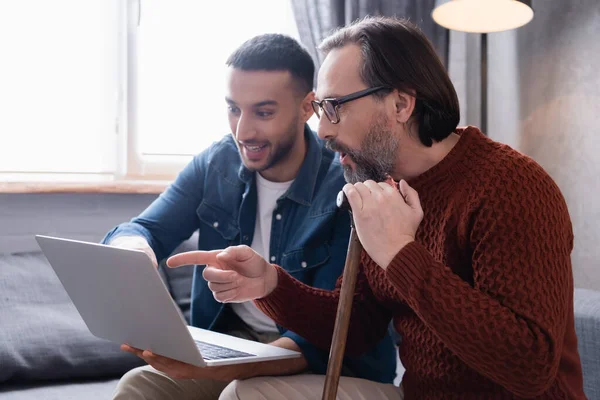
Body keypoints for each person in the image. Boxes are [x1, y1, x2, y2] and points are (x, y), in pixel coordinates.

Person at [175, 17, 588, 399]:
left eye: (335, 107)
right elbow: (356, 327)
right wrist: (270, 284)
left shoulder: (509, 187)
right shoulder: (376, 184)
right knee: (246, 396)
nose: (322, 130)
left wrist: (400, 253)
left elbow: (529, 366)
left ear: (401, 105)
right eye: (321, 109)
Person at [103, 33, 396, 399]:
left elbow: (323, 337)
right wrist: (135, 252)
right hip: (236, 344)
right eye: (233, 108)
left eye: (264, 112)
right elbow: (141, 228)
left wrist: (215, 366)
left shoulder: (345, 182)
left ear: (308, 107)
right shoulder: (216, 164)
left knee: (240, 394)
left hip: (326, 361)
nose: (243, 131)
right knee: (139, 385)